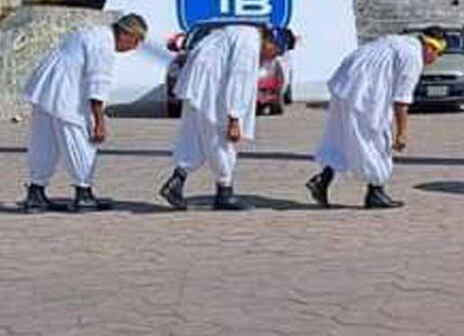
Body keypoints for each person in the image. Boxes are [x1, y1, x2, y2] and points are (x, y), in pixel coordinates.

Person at [305, 27, 447, 210]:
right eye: (438, 53)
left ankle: (322, 180)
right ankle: (376, 192)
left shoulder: (398, 41)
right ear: (430, 48)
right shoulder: (413, 56)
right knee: (376, 138)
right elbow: (402, 99)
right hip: (364, 91)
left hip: (344, 84)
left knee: (341, 137)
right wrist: (402, 133)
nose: (436, 59)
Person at [158, 23, 296, 211]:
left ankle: (176, 182)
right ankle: (225, 192)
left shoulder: (240, 33)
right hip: (210, 87)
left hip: (198, 84)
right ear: (271, 43)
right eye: (276, 52)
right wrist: (234, 118)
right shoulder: (250, 43)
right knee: (220, 138)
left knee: (195, 137)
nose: (272, 58)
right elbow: (238, 79)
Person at [20, 14, 148, 213]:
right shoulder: (103, 44)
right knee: (80, 140)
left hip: (45, 89)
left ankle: (36, 193)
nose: (135, 47)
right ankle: (83, 193)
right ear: (126, 34)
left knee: (44, 141)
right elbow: (97, 84)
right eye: (136, 41)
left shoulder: (92, 33)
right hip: (65, 94)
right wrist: (99, 122)